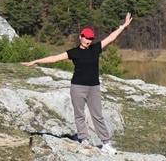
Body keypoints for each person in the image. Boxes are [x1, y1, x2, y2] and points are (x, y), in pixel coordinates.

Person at [23, 13, 132, 152]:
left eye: (90, 38)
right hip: (78, 87)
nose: (88, 41)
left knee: (97, 115)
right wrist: (36, 61)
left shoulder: (95, 48)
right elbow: (55, 58)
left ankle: (105, 143)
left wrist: (123, 26)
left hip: (94, 87)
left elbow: (111, 38)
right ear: (80, 37)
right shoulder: (74, 52)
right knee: (79, 114)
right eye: (85, 38)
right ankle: (84, 138)